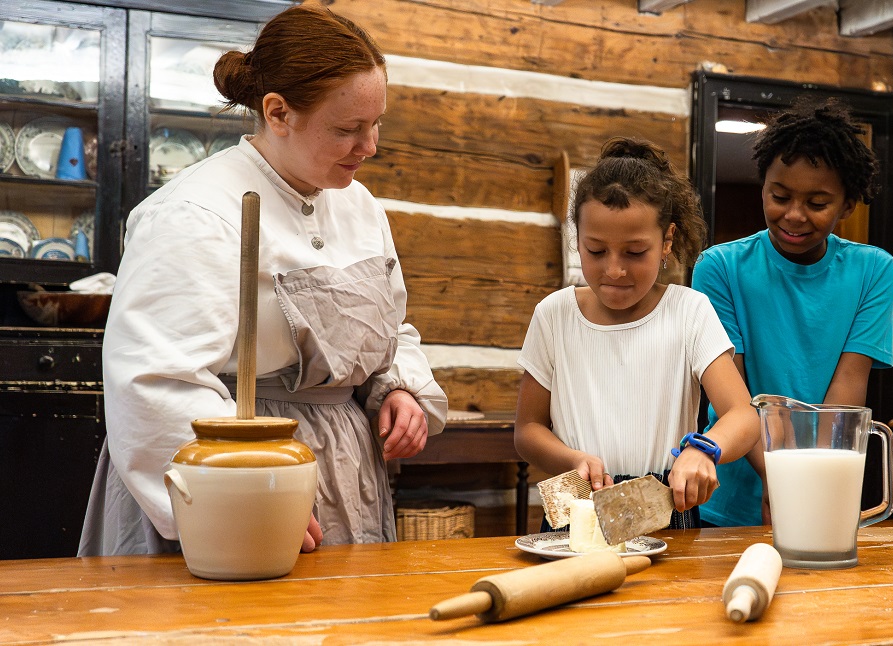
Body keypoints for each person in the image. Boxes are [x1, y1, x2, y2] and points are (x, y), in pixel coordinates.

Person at [80, 5, 448, 557]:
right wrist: (243, 494)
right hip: (234, 467)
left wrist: (395, 387)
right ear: (278, 112)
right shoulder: (194, 213)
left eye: (376, 124)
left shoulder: (361, 207)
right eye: (347, 128)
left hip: (346, 473)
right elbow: (154, 383)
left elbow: (389, 327)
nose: (369, 146)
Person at [515, 137, 760, 528]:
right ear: (577, 239)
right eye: (596, 251)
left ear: (666, 242)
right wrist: (572, 460)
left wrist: (705, 450)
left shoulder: (689, 312)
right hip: (577, 510)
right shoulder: (553, 315)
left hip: (665, 511)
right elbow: (528, 430)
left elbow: (743, 415)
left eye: (634, 252)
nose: (614, 270)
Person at [692, 97, 893, 527]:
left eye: (818, 202)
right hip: (728, 499)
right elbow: (734, 394)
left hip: (820, 487)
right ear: (762, 187)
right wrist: (778, 478)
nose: (794, 215)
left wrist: (801, 483)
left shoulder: (873, 271)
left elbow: (847, 389)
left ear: (848, 204)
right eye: (779, 196)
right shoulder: (721, 268)